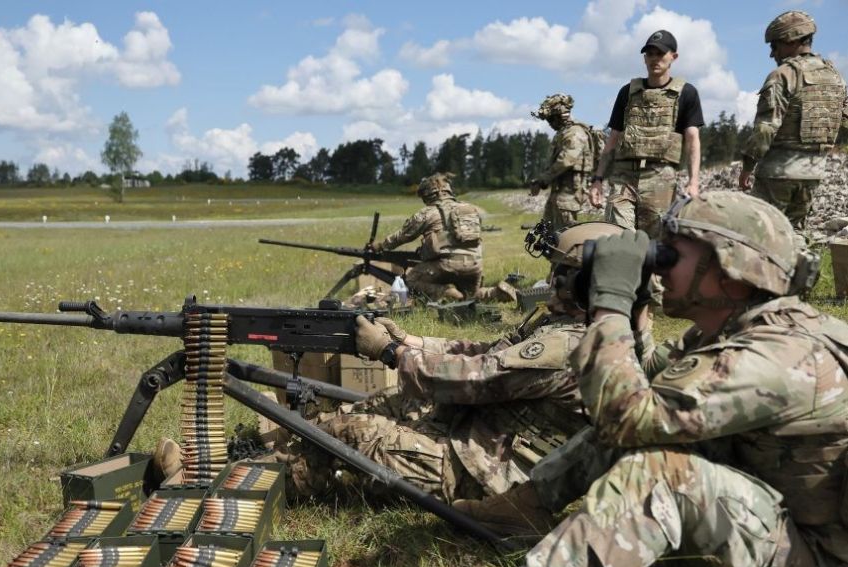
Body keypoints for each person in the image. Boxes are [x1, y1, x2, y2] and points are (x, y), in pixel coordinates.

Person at [415, 191, 848, 567]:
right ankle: (524, 509)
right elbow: (637, 381)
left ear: (733, 274)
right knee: (645, 420)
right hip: (777, 516)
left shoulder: (777, 359)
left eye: (673, 255)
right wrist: (636, 309)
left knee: (663, 474)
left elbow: (626, 415)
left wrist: (611, 305)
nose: (659, 266)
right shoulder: (739, 329)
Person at [252, 222, 630, 506]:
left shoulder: (569, 343)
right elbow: (483, 351)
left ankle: (260, 487)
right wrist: (407, 340)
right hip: (480, 431)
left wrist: (390, 352)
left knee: (350, 433)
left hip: (482, 471)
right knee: (387, 402)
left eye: (561, 273)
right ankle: (290, 455)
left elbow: (477, 378)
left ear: (588, 283)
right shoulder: (570, 325)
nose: (551, 280)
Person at [739, 10, 848, 232]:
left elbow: (765, 129)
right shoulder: (835, 76)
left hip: (777, 174)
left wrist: (747, 167)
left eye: (775, 45)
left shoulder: (783, 75)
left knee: (762, 235)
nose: (772, 53)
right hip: (813, 173)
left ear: (791, 40)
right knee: (795, 235)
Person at [589, 30, 704, 236]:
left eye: (660, 54)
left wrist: (693, 182)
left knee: (655, 245)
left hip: (660, 178)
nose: (654, 59)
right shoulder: (628, 92)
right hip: (623, 176)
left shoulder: (687, 93)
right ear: (644, 58)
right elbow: (613, 139)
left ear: (673, 57)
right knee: (618, 238)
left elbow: (692, 140)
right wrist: (597, 179)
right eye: (650, 54)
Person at [372, 173, 484, 302]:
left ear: (428, 195)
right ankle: (494, 293)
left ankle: (447, 292)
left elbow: (402, 236)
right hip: (475, 267)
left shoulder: (427, 213)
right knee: (471, 298)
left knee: (410, 281)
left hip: (446, 266)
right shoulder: (471, 209)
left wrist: (380, 246)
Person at [530, 94, 596, 231]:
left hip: (568, 193)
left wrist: (543, 180)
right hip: (559, 190)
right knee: (549, 232)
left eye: (551, 120)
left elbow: (566, 160)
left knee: (565, 235)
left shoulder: (575, 133)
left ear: (559, 116)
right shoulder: (563, 133)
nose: (550, 123)